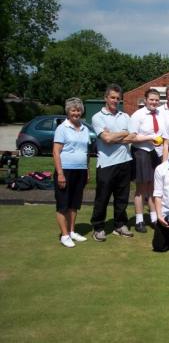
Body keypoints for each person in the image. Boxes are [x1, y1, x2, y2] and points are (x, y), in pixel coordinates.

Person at [90, 84, 135, 241]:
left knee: (122, 197)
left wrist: (115, 136)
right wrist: (124, 133)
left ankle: (120, 225)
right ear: (106, 98)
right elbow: (106, 139)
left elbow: (133, 137)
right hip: (106, 164)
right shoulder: (98, 117)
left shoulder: (125, 116)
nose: (115, 100)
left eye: (117, 98)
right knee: (102, 198)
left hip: (125, 162)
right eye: (112, 97)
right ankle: (98, 227)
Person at [53, 98, 91, 248]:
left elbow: (86, 152)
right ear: (68, 112)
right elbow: (56, 152)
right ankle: (64, 235)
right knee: (63, 204)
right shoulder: (62, 128)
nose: (76, 113)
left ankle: (72, 231)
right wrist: (60, 173)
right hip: (66, 171)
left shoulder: (85, 128)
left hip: (80, 170)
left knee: (74, 204)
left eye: (78, 110)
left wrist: (87, 170)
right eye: (73, 110)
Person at [129, 88, 165, 233]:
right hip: (141, 152)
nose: (154, 102)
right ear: (145, 100)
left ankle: (154, 218)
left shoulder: (160, 114)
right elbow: (132, 137)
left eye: (156, 100)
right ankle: (139, 220)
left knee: (152, 188)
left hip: (154, 153)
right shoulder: (137, 115)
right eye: (151, 99)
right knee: (141, 189)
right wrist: (149, 138)